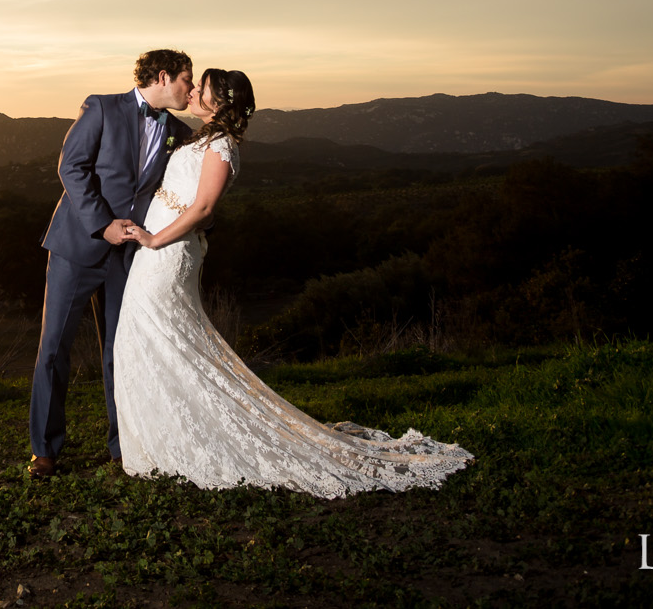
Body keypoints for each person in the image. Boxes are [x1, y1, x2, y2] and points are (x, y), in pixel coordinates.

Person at [112, 68, 474, 494]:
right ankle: (160, 436)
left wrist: (154, 238)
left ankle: (183, 439)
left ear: (219, 104)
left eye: (200, 90)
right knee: (150, 340)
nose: (191, 93)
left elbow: (205, 209)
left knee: (163, 338)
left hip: (167, 253)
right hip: (156, 253)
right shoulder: (202, 138)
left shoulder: (223, 146)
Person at [28, 49, 195, 478]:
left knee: (120, 352)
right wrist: (102, 224)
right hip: (78, 247)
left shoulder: (178, 131)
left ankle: (125, 446)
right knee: (54, 349)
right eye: (186, 80)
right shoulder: (101, 106)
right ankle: (45, 449)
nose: (190, 89)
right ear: (163, 76)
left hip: (130, 257)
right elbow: (71, 166)